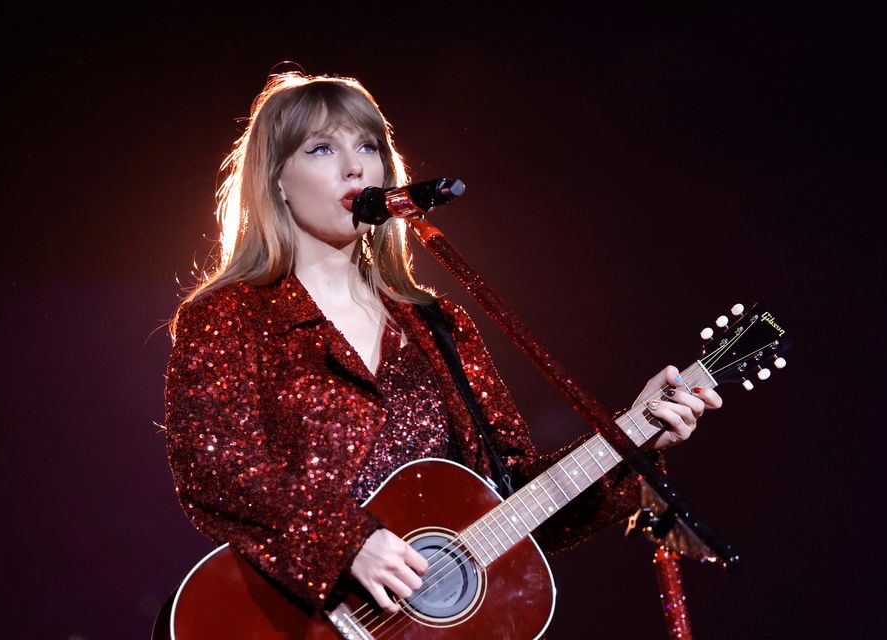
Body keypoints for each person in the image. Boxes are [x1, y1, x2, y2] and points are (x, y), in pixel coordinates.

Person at [162, 72, 722, 616]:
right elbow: (216, 473)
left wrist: (633, 434)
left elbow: (514, 502)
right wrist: (347, 542)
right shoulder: (230, 316)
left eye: (368, 146)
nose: (355, 166)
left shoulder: (438, 327)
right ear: (276, 181)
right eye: (322, 149)